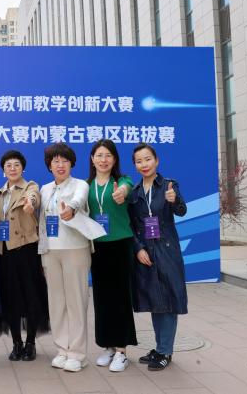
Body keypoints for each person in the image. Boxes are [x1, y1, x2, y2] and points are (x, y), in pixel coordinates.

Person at [38, 143, 105, 373]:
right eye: (55, 161)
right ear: (49, 165)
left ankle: (77, 354)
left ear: (71, 164)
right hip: (50, 251)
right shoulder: (45, 189)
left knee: (76, 301)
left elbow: (78, 200)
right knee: (57, 302)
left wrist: (71, 209)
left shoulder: (80, 185)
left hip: (75, 248)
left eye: (64, 161)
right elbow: (41, 219)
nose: (60, 165)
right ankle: (62, 350)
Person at [127, 143, 188, 371]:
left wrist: (175, 200)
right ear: (135, 165)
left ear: (156, 160)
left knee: (169, 300)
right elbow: (131, 225)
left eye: (148, 159)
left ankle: (165, 351)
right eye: (139, 161)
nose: (144, 164)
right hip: (146, 252)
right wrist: (138, 249)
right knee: (155, 300)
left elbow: (181, 211)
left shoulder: (169, 185)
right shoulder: (134, 192)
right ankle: (160, 347)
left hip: (167, 250)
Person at [87, 139, 138, 372]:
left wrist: (121, 193)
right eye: (99, 155)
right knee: (102, 298)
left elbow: (127, 189)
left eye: (108, 155)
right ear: (92, 159)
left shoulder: (122, 181)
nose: (103, 160)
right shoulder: (87, 186)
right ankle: (107, 345)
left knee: (120, 298)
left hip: (120, 245)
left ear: (114, 159)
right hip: (97, 247)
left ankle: (121, 351)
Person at [0, 150, 48, 362]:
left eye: (16, 165)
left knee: (31, 296)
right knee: (11, 299)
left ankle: (31, 343)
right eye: (8, 165)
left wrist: (30, 204)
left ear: (22, 168)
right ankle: (17, 343)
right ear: (3, 170)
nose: (12, 168)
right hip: (6, 252)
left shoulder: (30, 187)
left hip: (26, 250)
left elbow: (34, 198)